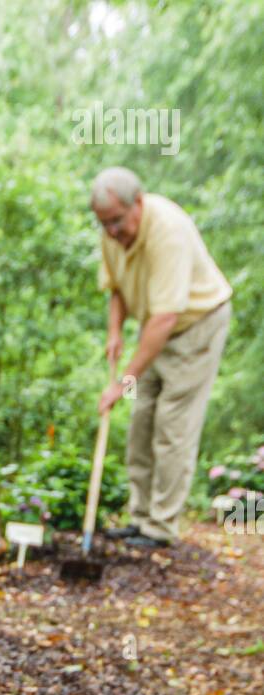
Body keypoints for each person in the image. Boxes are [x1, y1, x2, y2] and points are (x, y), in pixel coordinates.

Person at [92, 167, 232, 547]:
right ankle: (140, 517)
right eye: (104, 223)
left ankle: (161, 527)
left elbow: (167, 317)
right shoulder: (113, 232)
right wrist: (115, 332)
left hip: (195, 327)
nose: (111, 231)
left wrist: (124, 381)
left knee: (172, 425)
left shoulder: (168, 231)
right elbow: (117, 288)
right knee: (141, 419)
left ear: (138, 202)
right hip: (153, 328)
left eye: (117, 221)